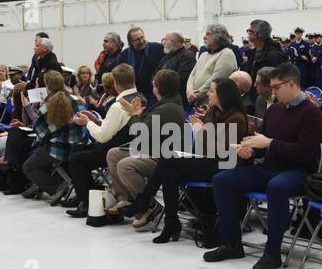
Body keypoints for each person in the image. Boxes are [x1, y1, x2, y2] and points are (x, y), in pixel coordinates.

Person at [203, 63, 322, 269]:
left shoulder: (312, 113)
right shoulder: (275, 110)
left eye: (277, 87)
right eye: (272, 87)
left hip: (299, 171)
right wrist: (250, 151)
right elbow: (261, 145)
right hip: (269, 167)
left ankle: (272, 252)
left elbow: (304, 153)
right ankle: (231, 243)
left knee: (276, 186)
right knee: (222, 179)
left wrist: (268, 144)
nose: (273, 92)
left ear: (292, 84)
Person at [119, 78, 248, 244]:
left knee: (168, 158)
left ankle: (144, 202)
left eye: (211, 91)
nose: (208, 94)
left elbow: (224, 154)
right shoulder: (213, 111)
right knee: (170, 174)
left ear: (222, 95)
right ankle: (171, 223)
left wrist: (201, 131)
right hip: (205, 159)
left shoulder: (236, 117)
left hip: (225, 165)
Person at [103, 69, 186, 228]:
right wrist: (138, 114)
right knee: (113, 154)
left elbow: (138, 134)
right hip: (153, 149)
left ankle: (149, 205)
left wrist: (134, 115)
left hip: (162, 158)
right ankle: (125, 199)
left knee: (125, 165)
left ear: (158, 88)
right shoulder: (168, 104)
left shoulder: (165, 109)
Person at [64, 64, 146, 218]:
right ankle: (90, 194)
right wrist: (96, 121)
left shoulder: (118, 105)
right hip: (129, 146)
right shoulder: (141, 98)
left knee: (76, 159)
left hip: (114, 151)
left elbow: (102, 137)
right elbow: (115, 127)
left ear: (115, 83)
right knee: (78, 152)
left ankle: (87, 201)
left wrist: (87, 123)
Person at [21, 70, 85, 206]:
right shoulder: (77, 100)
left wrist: (27, 108)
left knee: (28, 166)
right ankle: (40, 185)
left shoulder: (47, 106)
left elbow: (40, 133)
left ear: (47, 86)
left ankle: (56, 186)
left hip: (58, 150)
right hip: (78, 148)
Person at [187, 24, 237, 107]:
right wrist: (189, 91)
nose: (204, 37)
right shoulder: (203, 55)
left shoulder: (226, 54)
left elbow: (217, 78)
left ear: (218, 36)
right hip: (198, 103)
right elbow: (192, 74)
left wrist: (196, 95)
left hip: (213, 105)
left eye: (208, 34)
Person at [116, 27, 164, 106]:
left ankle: (155, 119)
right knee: (138, 116)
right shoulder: (125, 54)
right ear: (131, 42)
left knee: (156, 116)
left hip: (154, 95)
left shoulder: (157, 48)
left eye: (142, 37)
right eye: (137, 39)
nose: (141, 41)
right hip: (133, 96)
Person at [244, 20, 288, 97]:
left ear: (257, 34)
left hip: (269, 96)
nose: (248, 33)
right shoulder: (252, 52)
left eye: (249, 31)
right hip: (254, 94)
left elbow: (281, 78)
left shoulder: (273, 55)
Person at [155, 31, 196, 110]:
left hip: (179, 103)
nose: (164, 43)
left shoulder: (187, 57)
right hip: (164, 101)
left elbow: (180, 79)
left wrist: (159, 84)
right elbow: (156, 72)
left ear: (172, 42)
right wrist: (154, 82)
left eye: (166, 40)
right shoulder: (167, 56)